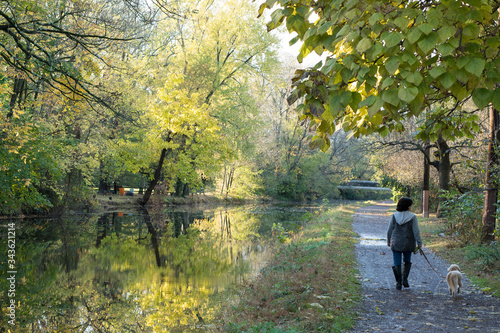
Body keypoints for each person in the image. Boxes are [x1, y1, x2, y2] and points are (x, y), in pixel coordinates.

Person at [387, 197, 422, 290]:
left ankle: (398, 283)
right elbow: (416, 231)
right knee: (407, 261)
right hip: (408, 242)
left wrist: (388, 240)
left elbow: (389, 230)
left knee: (396, 262)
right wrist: (419, 242)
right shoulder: (412, 217)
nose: (411, 206)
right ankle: (405, 280)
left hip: (396, 241)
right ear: (408, 206)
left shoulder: (394, 215)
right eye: (410, 204)